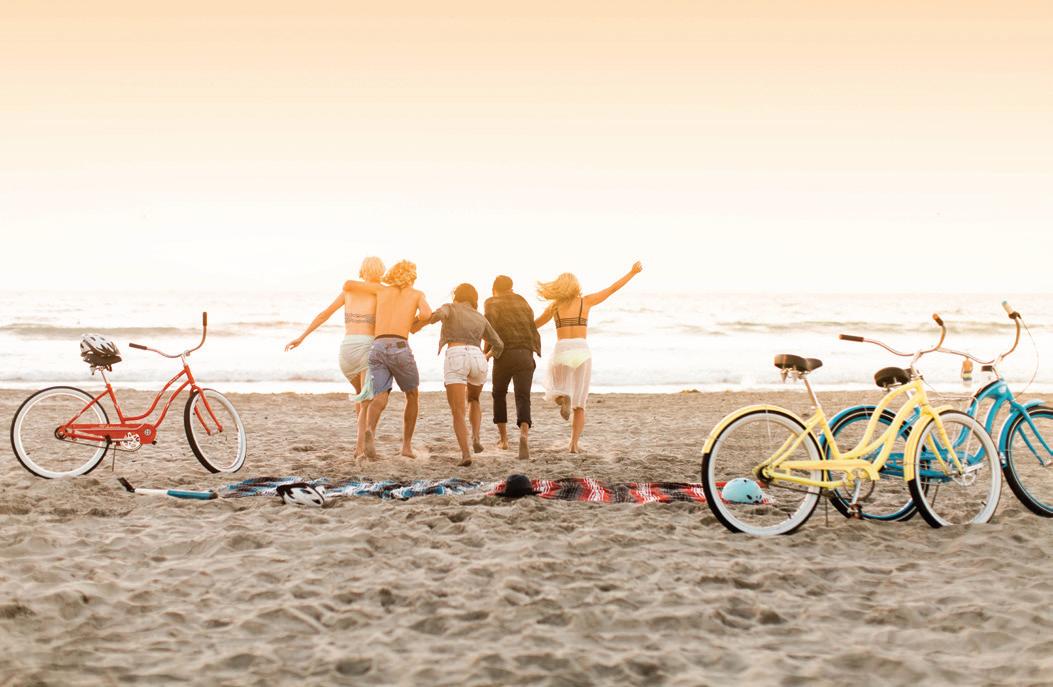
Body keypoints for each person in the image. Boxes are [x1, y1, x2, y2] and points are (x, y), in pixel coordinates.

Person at [535, 262, 643, 453]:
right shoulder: (586, 302)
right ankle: (574, 445)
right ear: (575, 285)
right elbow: (612, 289)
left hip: (562, 348)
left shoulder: (554, 307)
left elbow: (533, 325)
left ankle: (562, 399)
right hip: (581, 349)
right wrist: (632, 273)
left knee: (556, 389)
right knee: (580, 403)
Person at [285, 256, 385, 459]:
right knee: (366, 401)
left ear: (363, 270)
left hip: (346, 350)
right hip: (366, 346)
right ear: (381, 271)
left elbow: (325, 314)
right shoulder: (381, 292)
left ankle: (361, 438)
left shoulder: (349, 290)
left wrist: (302, 337)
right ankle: (360, 448)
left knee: (360, 395)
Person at [344, 260, 431, 460]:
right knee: (412, 395)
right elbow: (426, 314)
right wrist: (413, 321)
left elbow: (348, 284)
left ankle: (370, 430)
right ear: (412, 277)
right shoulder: (417, 294)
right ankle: (406, 447)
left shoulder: (380, 290)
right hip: (399, 346)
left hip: (377, 346)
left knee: (380, 395)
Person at [413, 283, 504, 466]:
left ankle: (466, 454)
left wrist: (417, 322)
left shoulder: (450, 307)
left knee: (458, 412)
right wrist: (486, 357)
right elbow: (499, 344)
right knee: (474, 399)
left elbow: (437, 316)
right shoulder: (480, 317)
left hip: (457, 355)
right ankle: (476, 438)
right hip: (477, 357)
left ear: (457, 296)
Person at [483, 275, 541, 460]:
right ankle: (524, 435)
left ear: (494, 289)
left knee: (499, 394)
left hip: (504, 354)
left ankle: (504, 440)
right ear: (511, 288)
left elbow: (489, 328)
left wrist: (485, 353)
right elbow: (531, 326)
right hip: (525, 353)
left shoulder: (492, 302)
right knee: (523, 396)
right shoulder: (522, 301)